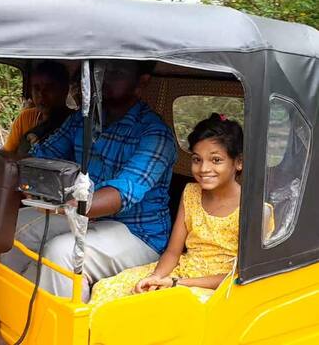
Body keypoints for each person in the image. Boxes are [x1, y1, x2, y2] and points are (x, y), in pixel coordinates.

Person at [0, 60, 177, 302]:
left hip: (136, 232)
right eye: (101, 71)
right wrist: (15, 174)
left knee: (61, 252)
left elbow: (121, 194)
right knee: (12, 226)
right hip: (86, 214)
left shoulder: (154, 133)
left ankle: (63, 332)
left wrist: (65, 203)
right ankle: (5, 304)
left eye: (116, 72)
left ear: (141, 83)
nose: (104, 79)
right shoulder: (82, 119)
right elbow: (40, 157)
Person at [89, 114, 243, 308]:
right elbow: (172, 252)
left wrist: (177, 284)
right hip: (181, 270)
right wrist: (156, 278)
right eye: (197, 159)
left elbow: (241, 277)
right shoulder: (191, 192)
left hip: (219, 287)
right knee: (107, 289)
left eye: (216, 160)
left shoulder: (252, 207)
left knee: (166, 309)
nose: (204, 168)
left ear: (238, 162)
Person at [3, 61, 74, 156]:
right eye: (36, 88)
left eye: (49, 89)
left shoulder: (74, 124)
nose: (41, 95)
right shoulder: (25, 118)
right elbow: (7, 154)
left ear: (64, 90)